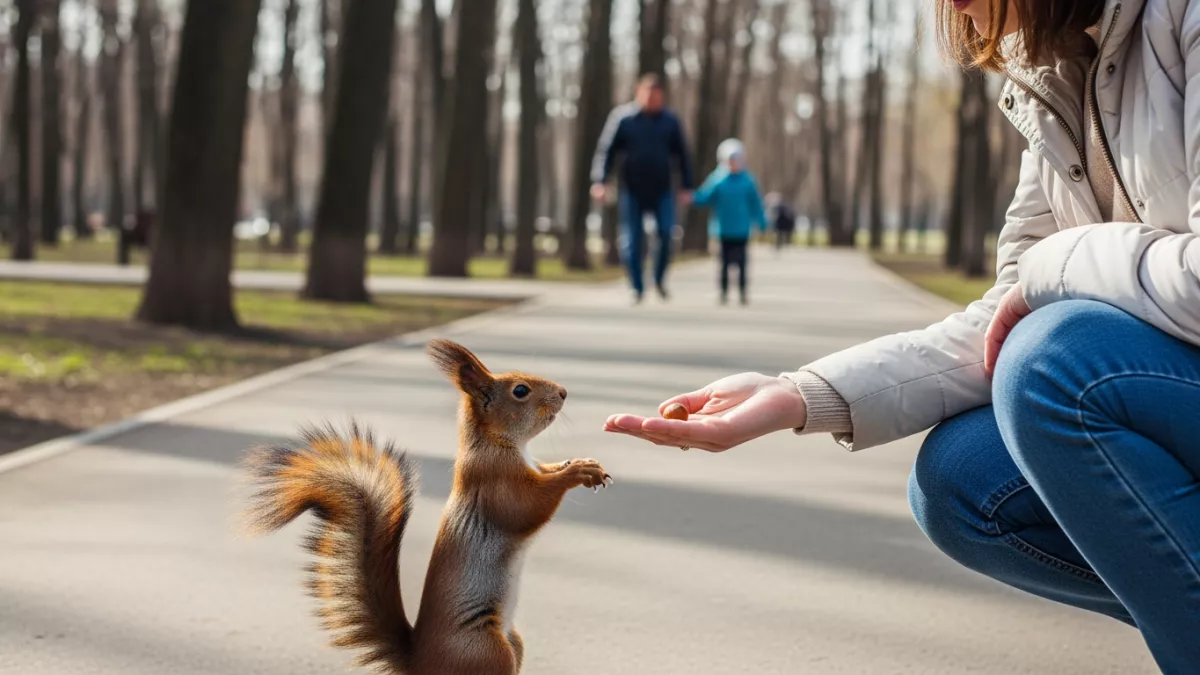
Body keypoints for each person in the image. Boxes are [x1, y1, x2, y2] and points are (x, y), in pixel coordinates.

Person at [605, 0, 1200, 671]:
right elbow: (1005, 318)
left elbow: (1047, 301)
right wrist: (798, 394)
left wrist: (1054, 264)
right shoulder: (1055, 71)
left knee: (1055, 365)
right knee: (961, 482)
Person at [591, 74, 695, 304]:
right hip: (632, 189)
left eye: (657, 97)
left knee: (667, 233)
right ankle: (637, 287)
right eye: (648, 95)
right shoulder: (623, 119)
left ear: (662, 97)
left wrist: (686, 186)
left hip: (662, 189)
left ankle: (658, 279)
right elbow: (606, 151)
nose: (652, 100)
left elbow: (683, 155)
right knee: (632, 240)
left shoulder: (670, 121)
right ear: (638, 93)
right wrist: (600, 180)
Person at [692, 139, 767, 305]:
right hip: (722, 229)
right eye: (730, 160)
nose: (733, 164)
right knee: (724, 263)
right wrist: (692, 197)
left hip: (741, 229)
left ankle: (742, 291)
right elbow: (705, 197)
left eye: (737, 160)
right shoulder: (718, 179)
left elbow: (756, 204)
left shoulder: (748, 181)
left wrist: (762, 222)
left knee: (741, 262)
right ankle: (724, 291)